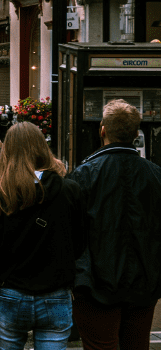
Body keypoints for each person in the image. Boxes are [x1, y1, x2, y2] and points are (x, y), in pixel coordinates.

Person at [0, 122, 85, 349]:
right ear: (42, 147)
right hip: (55, 293)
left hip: (11, 292)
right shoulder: (69, 190)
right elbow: (79, 243)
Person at [68, 99, 161, 349]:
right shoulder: (155, 175)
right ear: (136, 134)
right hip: (144, 284)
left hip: (96, 286)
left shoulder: (84, 174)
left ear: (103, 130)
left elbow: (73, 233)